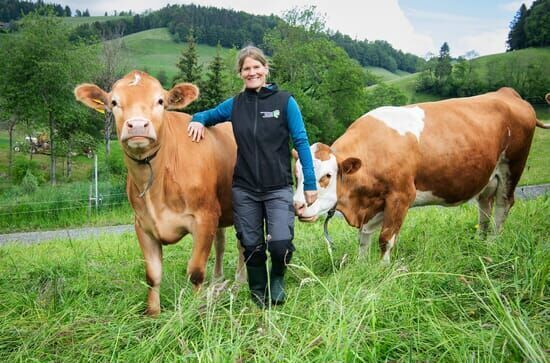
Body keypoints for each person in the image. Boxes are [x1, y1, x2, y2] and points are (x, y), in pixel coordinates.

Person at [187, 45, 317, 307]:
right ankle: (258, 292)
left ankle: (277, 279)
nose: (252, 72)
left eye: (256, 67)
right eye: (246, 68)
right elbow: (207, 114)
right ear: (240, 73)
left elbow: (301, 142)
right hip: (245, 189)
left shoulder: (285, 101)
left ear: (265, 69)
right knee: (251, 246)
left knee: (280, 244)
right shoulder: (235, 104)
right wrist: (197, 120)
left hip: (278, 186)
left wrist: (310, 185)